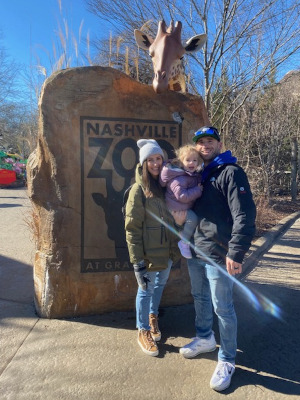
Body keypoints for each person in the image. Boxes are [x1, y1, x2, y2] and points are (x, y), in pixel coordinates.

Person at [179, 126, 256, 391]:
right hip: (197, 250)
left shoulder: (231, 173)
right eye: (200, 142)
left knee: (223, 308)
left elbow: (244, 214)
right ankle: (205, 339)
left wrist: (236, 251)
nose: (205, 146)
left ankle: (227, 359)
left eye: (210, 141)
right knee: (199, 298)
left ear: (219, 143)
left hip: (220, 254)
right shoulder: (201, 174)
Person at [125, 139, 183, 357]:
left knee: (159, 286)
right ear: (143, 163)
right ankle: (142, 329)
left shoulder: (167, 187)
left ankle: (152, 316)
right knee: (145, 289)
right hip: (148, 255)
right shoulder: (138, 190)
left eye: (159, 158)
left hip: (167, 252)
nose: (156, 163)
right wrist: (137, 263)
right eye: (151, 159)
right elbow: (132, 229)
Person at [160, 144, 203, 259]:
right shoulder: (178, 178)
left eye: (195, 160)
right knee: (193, 219)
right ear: (181, 161)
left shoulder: (190, 175)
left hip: (181, 206)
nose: (191, 163)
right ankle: (183, 241)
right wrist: (198, 190)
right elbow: (182, 196)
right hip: (175, 207)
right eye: (188, 160)